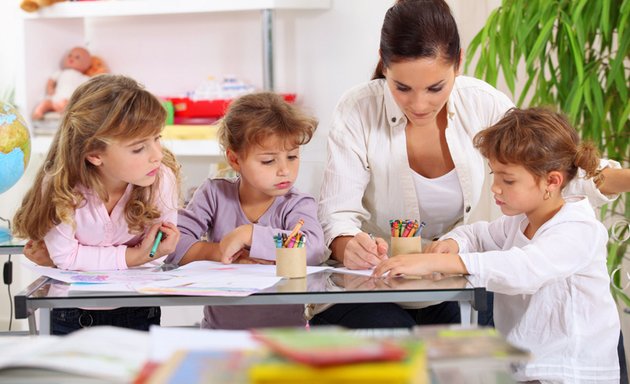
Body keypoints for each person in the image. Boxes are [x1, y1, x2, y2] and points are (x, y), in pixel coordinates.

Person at [312, 0, 624, 330]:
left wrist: (624, 177)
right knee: (401, 346)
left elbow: (547, 168)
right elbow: (336, 217)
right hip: (373, 287)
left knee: (474, 356)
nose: (419, 105)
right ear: (384, 64)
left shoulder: (483, 103)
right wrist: (350, 247)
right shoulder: (357, 109)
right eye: (402, 88)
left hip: (448, 285)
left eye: (435, 88)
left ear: (458, 62)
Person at [374, 107, 620, 382]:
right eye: (494, 175)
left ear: (552, 181)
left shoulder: (578, 229)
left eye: (508, 179)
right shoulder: (520, 222)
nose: (495, 188)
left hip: (571, 373)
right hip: (528, 371)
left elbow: (523, 270)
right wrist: (453, 244)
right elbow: (478, 235)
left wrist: (435, 262)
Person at [13, 74, 181, 335]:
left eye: (157, 138)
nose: (157, 155)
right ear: (94, 154)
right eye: (139, 148)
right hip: (71, 314)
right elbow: (68, 257)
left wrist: (74, 259)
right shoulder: (61, 187)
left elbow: (155, 257)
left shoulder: (161, 180)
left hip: (139, 309)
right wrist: (134, 256)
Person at [164, 92, 326, 329]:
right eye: (269, 161)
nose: (284, 170)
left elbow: (312, 249)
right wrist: (219, 252)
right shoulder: (214, 193)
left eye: (292, 157)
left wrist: (248, 235)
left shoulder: (297, 203)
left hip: (287, 338)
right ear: (235, 159)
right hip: (218, 336)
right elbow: (172, 244)